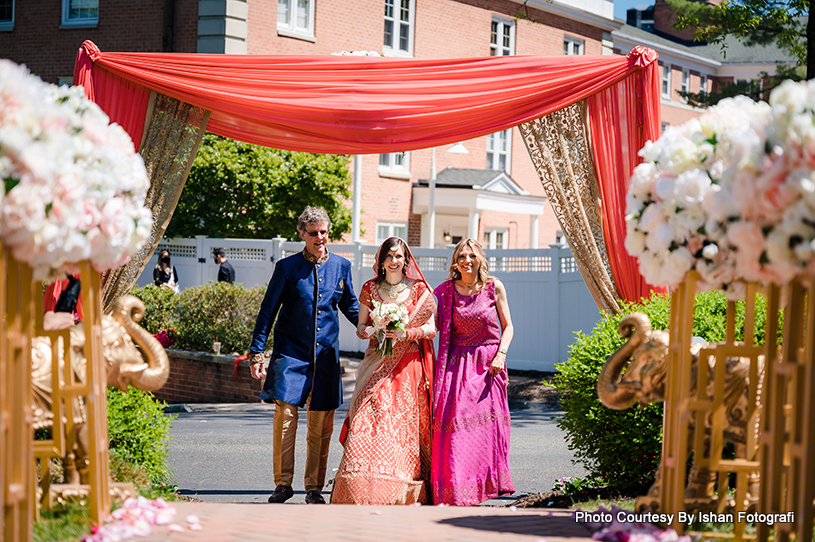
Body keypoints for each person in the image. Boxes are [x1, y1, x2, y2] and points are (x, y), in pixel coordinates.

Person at [248, 206, 359, 505]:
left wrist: (372, 326)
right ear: (301, 234)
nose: (320, 238)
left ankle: (314, 488)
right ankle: (283, 484)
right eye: (313, 233)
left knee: (321, 423)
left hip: (325, 356)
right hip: (290, 354)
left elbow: (351, 306)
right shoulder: (287, 268)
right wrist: (257, 352)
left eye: (324, 232)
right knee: (285, 417)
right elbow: (267, 312)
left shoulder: (341, 266)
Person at [331, 237, 436, 505]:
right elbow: (361, 327)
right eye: (389, 256)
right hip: (376, 364)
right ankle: (360, 486)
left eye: (399, 256)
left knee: (401, 425)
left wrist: (406, 332)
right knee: (367, 417)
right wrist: (378, 329)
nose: (393, 261)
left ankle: (400, 486)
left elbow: (431, 328)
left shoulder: (420, 290)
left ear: (406, 260)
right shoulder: (369, 288)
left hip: (408, 368)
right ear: (381, 259)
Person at [431, 238, 515, 505]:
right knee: (458, 429)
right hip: (457, 366)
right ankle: (458, 487)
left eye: (472, 256)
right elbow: (427, 326)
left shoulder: (494, 287)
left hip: (489, 365)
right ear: (455, 262)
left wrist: (501, 355)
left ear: (481, 258)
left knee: (486, 430)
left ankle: (485, 484)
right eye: (462, 257)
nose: (467, 261)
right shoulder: (444, 292)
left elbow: (508, 327)